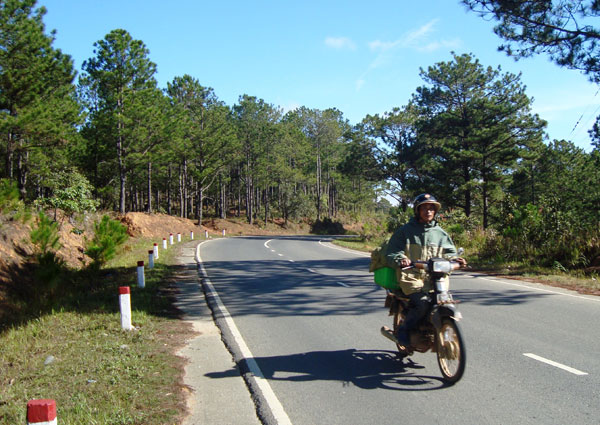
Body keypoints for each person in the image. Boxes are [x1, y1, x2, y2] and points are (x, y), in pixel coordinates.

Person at [385, 193, 465, 348]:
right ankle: (404, 329)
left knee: (442, 301)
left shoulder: (440, 233)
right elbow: (393, 252)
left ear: (435, 211)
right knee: (422, 303)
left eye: (431, 208)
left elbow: (450, 252)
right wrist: (401, 259)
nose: (428, 211)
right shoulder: (405, 231)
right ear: (417, 211)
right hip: (411, 275)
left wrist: (456, 260)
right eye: (424, 208)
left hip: (435, 276)